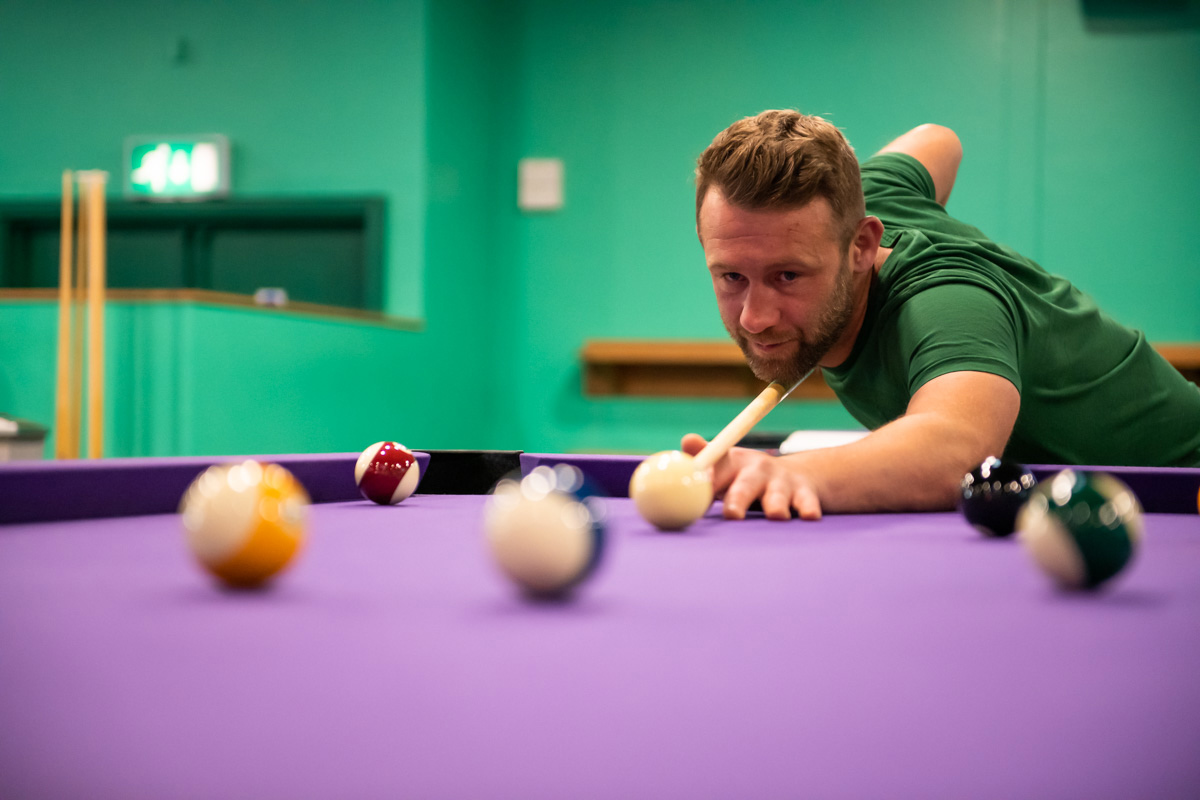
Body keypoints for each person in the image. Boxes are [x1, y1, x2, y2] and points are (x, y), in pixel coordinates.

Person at [685, 109, 1200, 520]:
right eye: (732, 277)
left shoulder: (949, 302)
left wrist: (794, 474)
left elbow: (958, 451)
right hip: (1079, 510)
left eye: (788, 276)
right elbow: (938, 139)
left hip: (1180, 499)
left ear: (863, 246)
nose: (754, 317)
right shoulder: (863, 203)